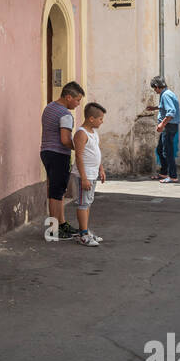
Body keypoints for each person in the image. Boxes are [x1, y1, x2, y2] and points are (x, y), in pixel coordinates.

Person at [41, 81, 85, 239]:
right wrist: (79, 148)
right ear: (68, 97)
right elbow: (65, 139)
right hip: (59, 154)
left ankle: (62, 223)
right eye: (77, 100)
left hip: (46, 151)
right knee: (56, 192)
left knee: (58, 191)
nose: (79, 104)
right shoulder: (65, 114)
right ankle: (53, 230)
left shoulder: (49, 108)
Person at [70, 102, 107, 245]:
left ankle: (85, 230)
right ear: (91, 118)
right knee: (83, 203)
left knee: (88, 202)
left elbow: (96, 152)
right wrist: (83, 178)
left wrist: (101, 169)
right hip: (84, 176)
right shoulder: (81, 133)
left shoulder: (93, 133)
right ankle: (83, 235)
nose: (102, 121)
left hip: (93, 174)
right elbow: (78, 156)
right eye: (100, 119)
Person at [150, 76, 180, 182]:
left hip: (169, 126)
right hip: (169, 126)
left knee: (167, 151)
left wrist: (162, 124)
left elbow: (171, 111)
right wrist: (155, 108)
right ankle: (163, 173)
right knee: (160, 149)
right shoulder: (167, 93)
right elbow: (166, 106)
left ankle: (173, 176)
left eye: (154, 89)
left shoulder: (166, 95)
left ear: (158, 86)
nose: (155, 91)